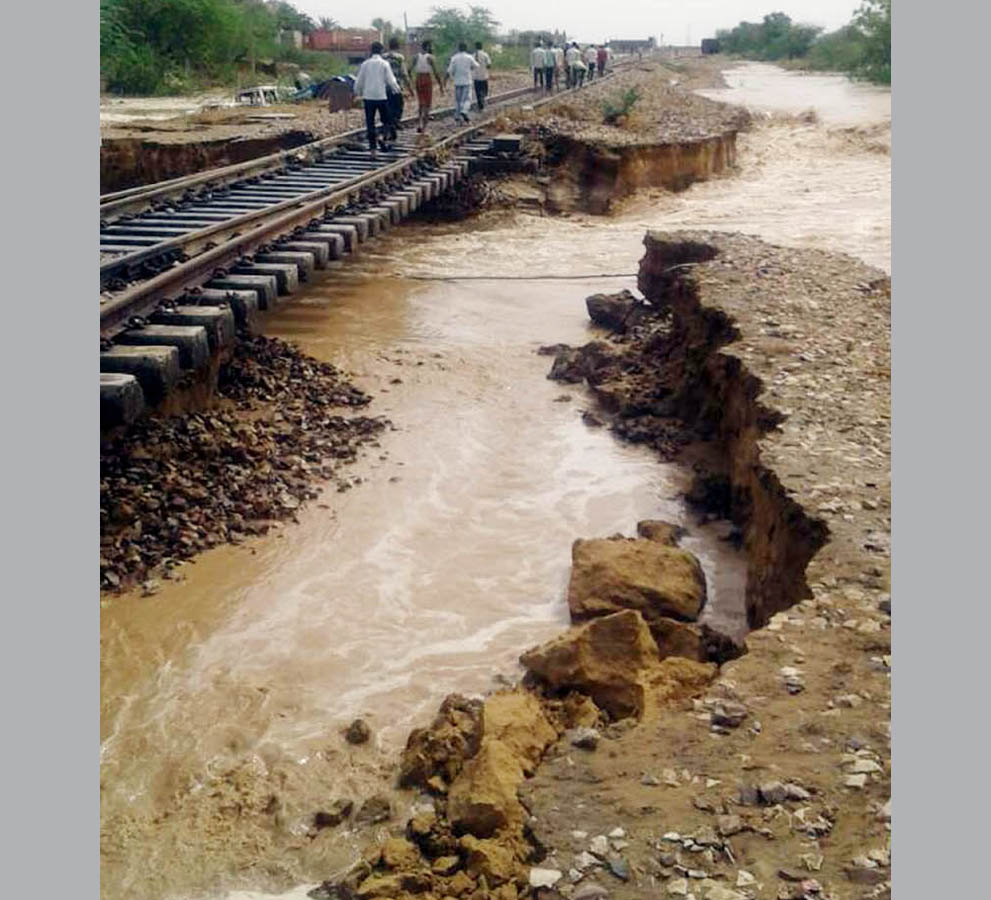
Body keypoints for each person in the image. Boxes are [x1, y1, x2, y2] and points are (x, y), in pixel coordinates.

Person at [354, 41, 400, 158]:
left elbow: (359, 81)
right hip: (381, 96)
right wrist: (397, 91)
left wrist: (357, 93)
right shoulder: (384, 64)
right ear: (381, 51)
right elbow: (391, 80)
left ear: (371, 50)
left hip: (368, 97)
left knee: (370, 123)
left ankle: (373, 151)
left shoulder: (365, 64)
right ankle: (381, 136)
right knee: (386, 120)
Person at [409, 40, 444, 134]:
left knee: (421, 103)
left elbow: (409, 70)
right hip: (427, 79)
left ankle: (419, 123)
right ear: (428, 47)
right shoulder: (431, 58)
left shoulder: (416, 57)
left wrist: (411, 80)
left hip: (418, 78)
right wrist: (441, 85)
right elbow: (436, 72)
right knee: (427, 104)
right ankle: (424, 128)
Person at [383, 36, 411, 146]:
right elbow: (404, 74)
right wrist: (409, 88)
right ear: (398, 46)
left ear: (389, 46)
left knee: (387, 108)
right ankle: (394, 123)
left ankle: (389, 127)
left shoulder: (383, 57)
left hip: (384, 88)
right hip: (396, 87)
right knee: (398, 107)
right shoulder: (400, 58)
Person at [446, 42, 479, 124]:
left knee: (458, 100)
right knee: (467, 99)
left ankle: (457, 116)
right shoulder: (469, 57)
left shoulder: (454, 58)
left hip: (457, 81)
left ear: (459, 48)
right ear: (466, 48)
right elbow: (476, 66)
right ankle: (464, 111)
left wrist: (451, 77)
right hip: (467, 81)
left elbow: (450, 70)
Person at [473, 41, 491, 111]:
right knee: (484, 91)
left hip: (476, 77)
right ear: (482, 46)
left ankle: (480, 105)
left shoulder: (473, 55)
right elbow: (489, 65)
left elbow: (471, 66)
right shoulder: (485, 55)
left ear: (475, 47)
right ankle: (483, 100)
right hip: (484, 76)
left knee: (478, 91)